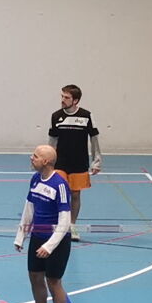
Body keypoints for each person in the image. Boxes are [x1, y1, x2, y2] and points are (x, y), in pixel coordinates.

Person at [14, 143, 75, 303]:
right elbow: (29, 208)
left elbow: (65, 221)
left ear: (46, 161)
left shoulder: (60, 185)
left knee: (53, 281)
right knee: (35, 277)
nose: (31, 158)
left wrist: (49, 246)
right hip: (37, 237)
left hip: (56, 241)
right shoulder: (35, 179)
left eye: (35, 156)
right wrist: (21, 235)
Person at [47, 84, 102, 239]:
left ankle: (72, 225)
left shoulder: (86, 116)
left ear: (75, 100)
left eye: (67, 97)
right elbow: (52, 141)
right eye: (62, 96)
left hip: (79, 162)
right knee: (58, 193)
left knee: (75, 194)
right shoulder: (56, 116)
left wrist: (96, 161)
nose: (62, 100)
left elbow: (94, 139)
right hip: (60, 162)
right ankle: (59, 225)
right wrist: (48, 161)